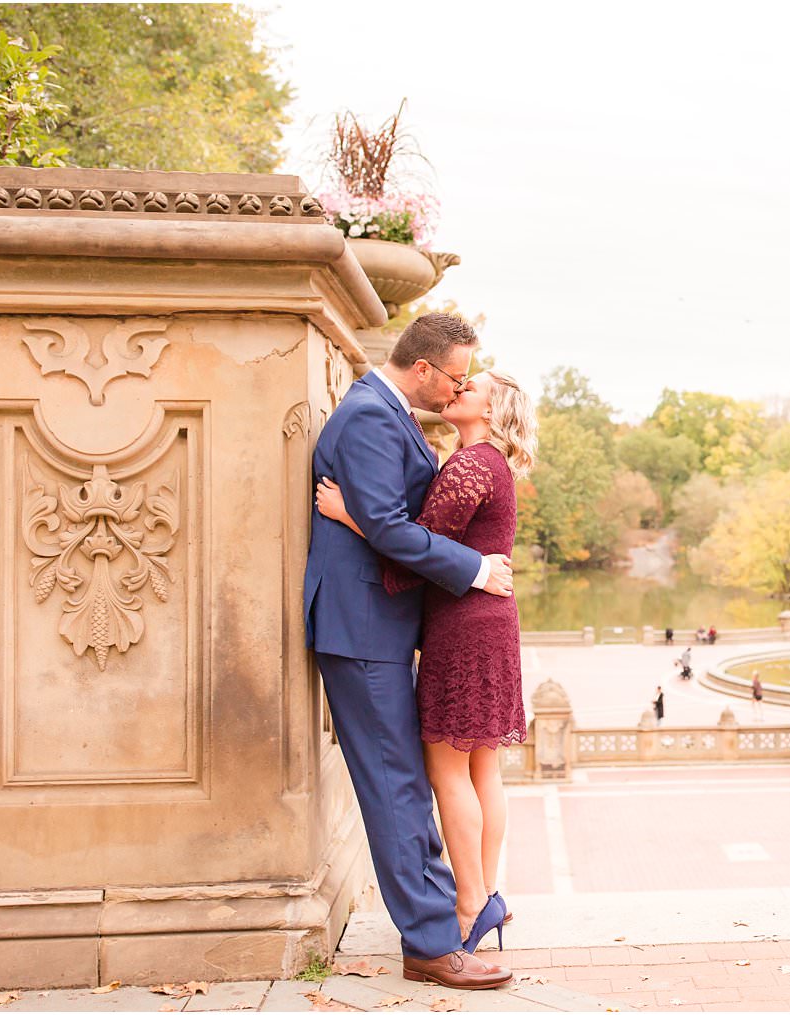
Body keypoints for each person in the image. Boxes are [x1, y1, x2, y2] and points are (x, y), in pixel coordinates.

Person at [303, 314, 516, 989]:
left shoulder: (389, 415)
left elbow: (393, 516)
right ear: (422, 368)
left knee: (407, 782)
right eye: (454, 376)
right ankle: (431, 943)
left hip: (377, 625)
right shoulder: (370, 415)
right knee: (398, 786)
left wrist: (358, 516)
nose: (457, 389)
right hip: (361, 626)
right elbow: (392, 526)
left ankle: (445, 923)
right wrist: (477, 570)